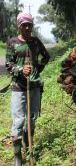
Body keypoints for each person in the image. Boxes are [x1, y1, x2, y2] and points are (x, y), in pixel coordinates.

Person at [5, 13, 50, 165]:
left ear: (32, 25)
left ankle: (28, 148)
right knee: (18, 121)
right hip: (18, 87)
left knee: (31, 118)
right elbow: (8, 65)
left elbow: (46, 56)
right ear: (19, 26)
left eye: (29, 24)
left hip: (34, 87)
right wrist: (20, 69)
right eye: (24, 24)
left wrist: (37, 70)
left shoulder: (36, 42)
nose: (27, 27)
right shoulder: (12, 42)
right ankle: (18, 158)